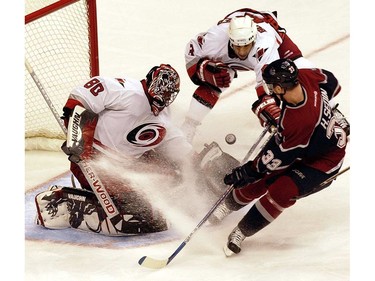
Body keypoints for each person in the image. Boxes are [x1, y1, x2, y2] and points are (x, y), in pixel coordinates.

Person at [208, 59, 349, 256]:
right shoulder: (305, 76)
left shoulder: (298, 121)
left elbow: (277, 158)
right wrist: (333, 110)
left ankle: (241, 231)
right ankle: (226, 206)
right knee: (260, 179)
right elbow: (331, 81)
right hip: (307, 143)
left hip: (323, 160)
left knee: (280, 189)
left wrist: (247, 171)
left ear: (282, 87)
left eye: (272, 86)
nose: (270, 90)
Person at [35, 64, 194, 236]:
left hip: (125, 168)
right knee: (134, 214)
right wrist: (79, 138)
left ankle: (96, 200)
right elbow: (82, 97)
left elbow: (180, 149)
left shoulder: (164, 118)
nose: (163, 96)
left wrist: (200, 162)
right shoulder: (127, 90)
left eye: (168, 93)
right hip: (93, 160)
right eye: (160, 89)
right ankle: (62, 201)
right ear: (150, 81)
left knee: (164, 197)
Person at [181, 8, 315, 143]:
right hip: (230, 47)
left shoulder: (265, 43)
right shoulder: (215, 38)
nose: (241, 51)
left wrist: (269, 106)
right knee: (217, 77)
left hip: (272, 33)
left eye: (246, 46)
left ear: (254, 38)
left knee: (301, 71)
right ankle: (189, 126)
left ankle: (324, 110)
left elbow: (268, 83)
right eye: (237, 46)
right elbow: (191, 52)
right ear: (229, 37)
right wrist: (202, 70)